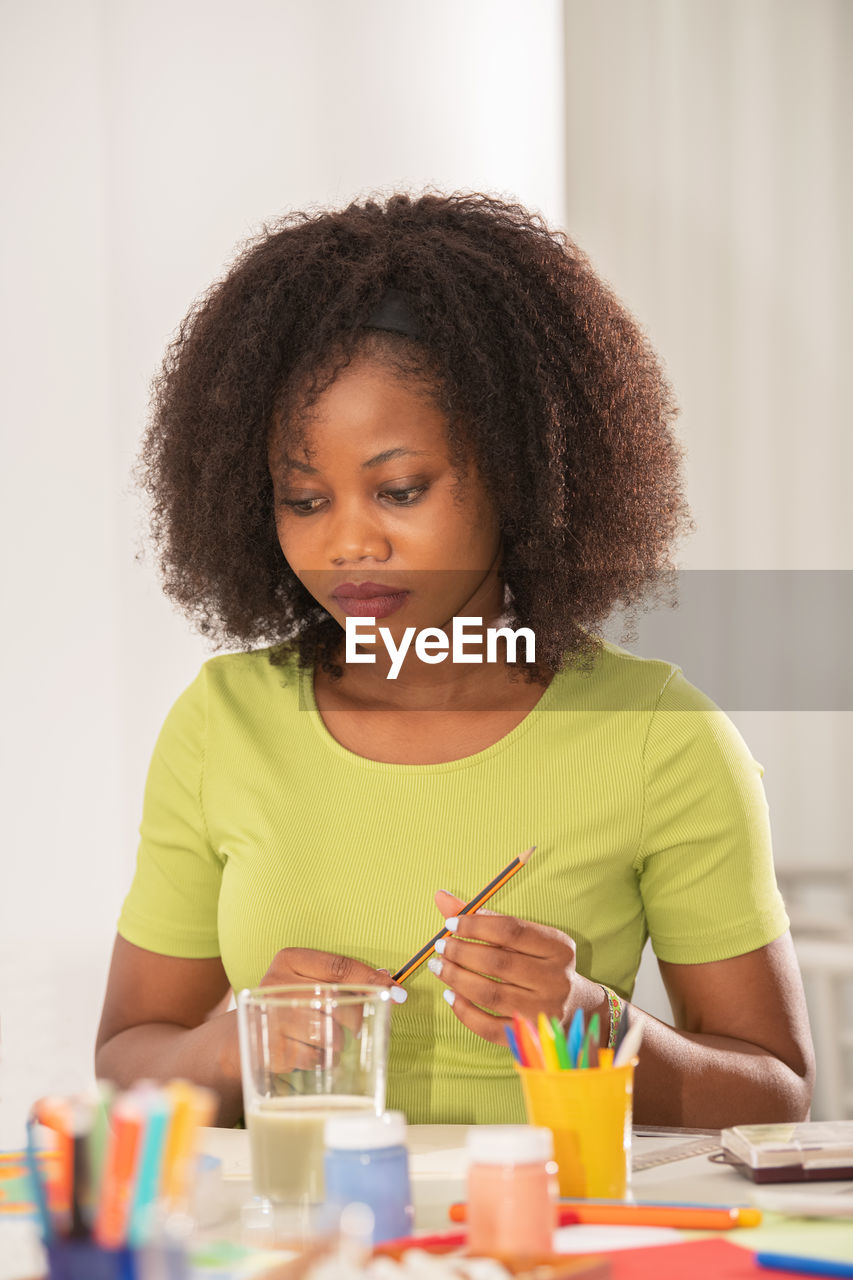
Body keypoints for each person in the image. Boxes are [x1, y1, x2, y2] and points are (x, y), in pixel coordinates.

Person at [95, 191, 814, 1128]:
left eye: (398, 489)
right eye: (303, 500)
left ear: (519, 473)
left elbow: (775, 1092)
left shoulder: (657, 737)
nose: (348, 542)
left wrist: (590, 1024)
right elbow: (126, 1057)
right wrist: (233, 1045)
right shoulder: (221, 723)